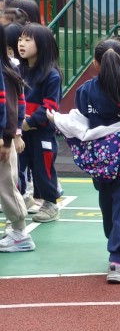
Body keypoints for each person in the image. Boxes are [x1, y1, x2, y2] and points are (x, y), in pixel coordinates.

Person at [49, 38, 120, 283]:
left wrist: (57, 120)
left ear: (95, 63)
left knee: (108, 205)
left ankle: (115, 249)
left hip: (100, 163)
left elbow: (79, 124)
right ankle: (117, 259)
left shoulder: (85, 91)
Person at [17, 22, 62, 221]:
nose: (21, 43)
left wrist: (29, 122)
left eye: (28, 40)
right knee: (17, 167)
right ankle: (22, 199)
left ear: (42, 45)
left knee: (42, 168)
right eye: (20, 39)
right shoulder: (17, 70)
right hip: (20, 131)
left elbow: (49, 106)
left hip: (42, 132)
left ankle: (50, 204)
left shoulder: (51, 75)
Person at [0, 22, 34, 253]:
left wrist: (7, 139)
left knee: (6, 186)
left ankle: (20, 233)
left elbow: (9, 108)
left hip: (3, 140)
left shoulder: (5, 70)